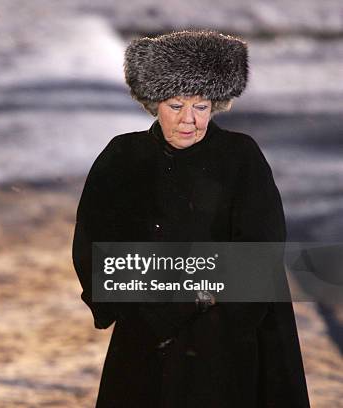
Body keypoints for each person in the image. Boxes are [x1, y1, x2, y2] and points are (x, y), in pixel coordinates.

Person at [72, 30, 310, 407]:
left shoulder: (240, 156)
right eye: (175, 104)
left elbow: (261, 248)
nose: (188, 120)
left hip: (224, 335)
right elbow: (93, 241)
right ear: (154, 104)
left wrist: (198, 302)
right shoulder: (123, 156)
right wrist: (140, 305)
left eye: (200, 107)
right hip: (145, 328)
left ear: (216, 105)